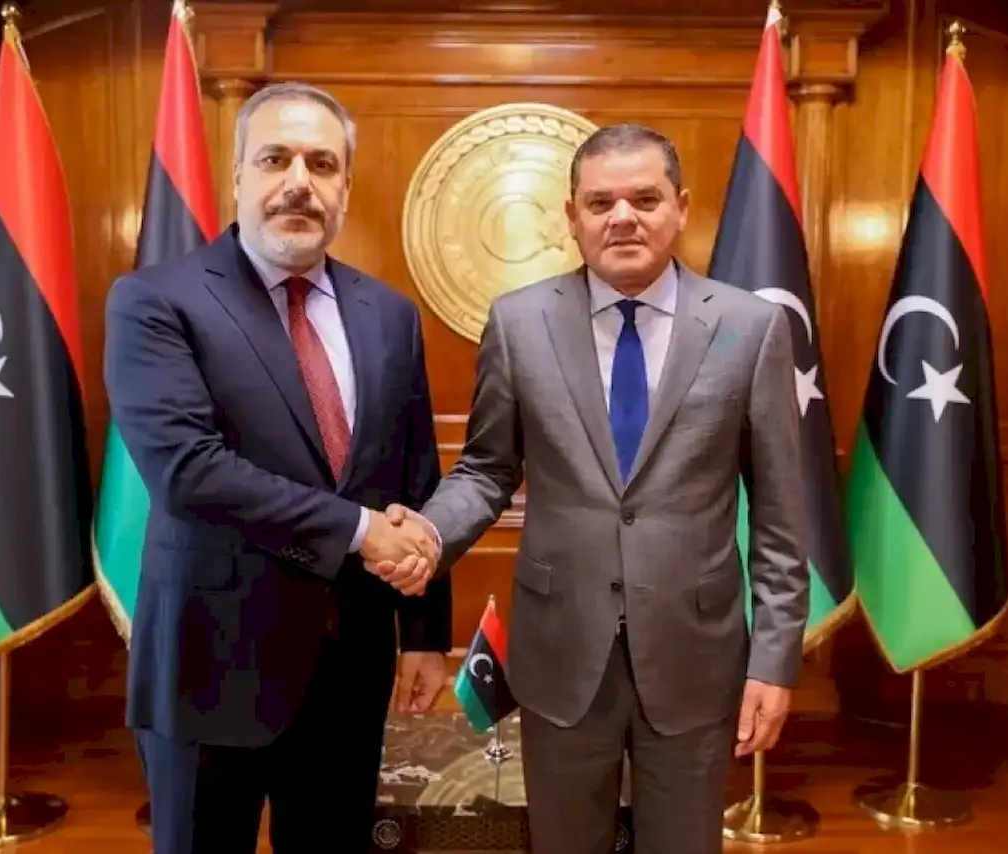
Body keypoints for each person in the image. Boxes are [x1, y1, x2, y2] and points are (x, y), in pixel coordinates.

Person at [378, 123, 810, 854]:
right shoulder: (519, 323)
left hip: (695, 654)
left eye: (645, 199)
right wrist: (428, 532)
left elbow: (779, 512)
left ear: (681, 207)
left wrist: (773, 657)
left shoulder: (751, 327)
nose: (623, 218)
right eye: (601, 202)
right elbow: (487, 470)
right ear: (571, 217)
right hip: (561, 650)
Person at [104, 81, 447, 854]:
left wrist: (426, 633)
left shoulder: (389, 315)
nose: (299, 181)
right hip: (208, 663)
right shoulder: (156, 300)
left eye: (322, 163)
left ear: (345, 186)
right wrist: (359, 531)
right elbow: (188, 472)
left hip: (350, 666)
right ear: (238, 176)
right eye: (275, 159)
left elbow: (416, 474)